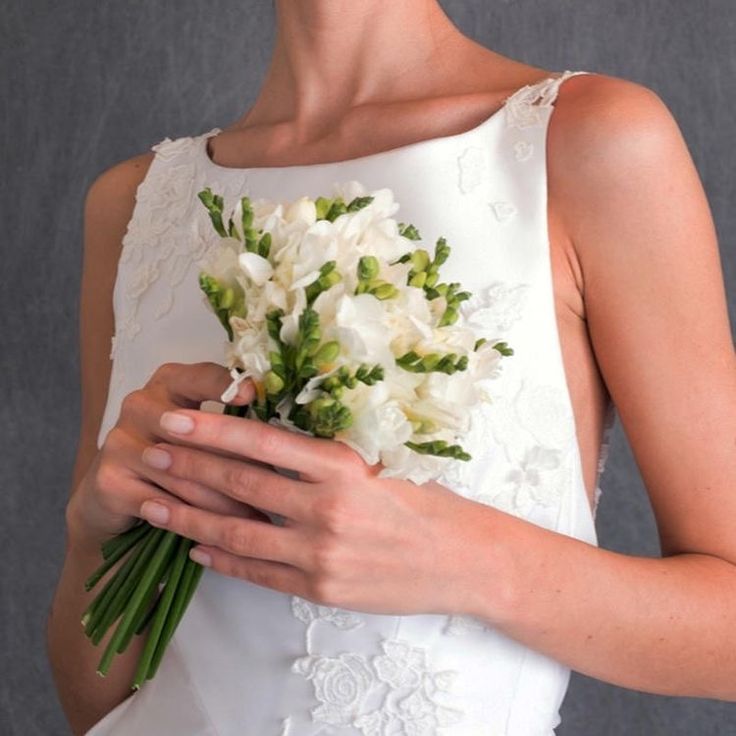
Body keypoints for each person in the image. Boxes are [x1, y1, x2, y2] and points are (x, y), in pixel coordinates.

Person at [46, 1, 736, 734]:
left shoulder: (586, 140)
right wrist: (95, 534)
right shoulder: (133, 205)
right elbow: (91, 704)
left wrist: (468, 559)